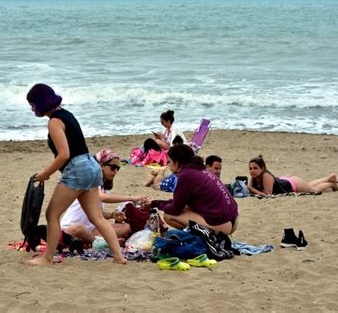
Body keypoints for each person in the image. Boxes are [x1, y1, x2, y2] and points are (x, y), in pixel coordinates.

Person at [25, 84, 126, 266]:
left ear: (40, 103)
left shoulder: (54, 122)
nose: (32, 108)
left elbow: (64, 154)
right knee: (97, 218)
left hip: (77, 169)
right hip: (91, 165)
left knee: (52, 215)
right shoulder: (67, 114)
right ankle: (119, 256)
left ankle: (47, 258)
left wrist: (44, 174)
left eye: (32, 104)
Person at [60, 149, 148, 246]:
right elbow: (102, 197)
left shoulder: (103, 187)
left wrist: (112, 215)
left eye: (117, 168)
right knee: (78, 228)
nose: (115, 171)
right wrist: (131, 198)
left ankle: (95, 241)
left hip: (91, 230)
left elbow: (95, 213)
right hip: (71, 230)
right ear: (100, 165)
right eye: (113, 167)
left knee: (126, 227)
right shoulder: (91, 181)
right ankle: (100, 242)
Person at [147, 144, 239, 235]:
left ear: (177, 162)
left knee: (169, 216)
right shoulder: (200, 170)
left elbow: (175, 209)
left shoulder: (186, 175)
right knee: (187, 207)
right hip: (233, 218)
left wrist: (155, 204)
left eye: (169, 161)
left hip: (222, 224)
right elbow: (179, 202)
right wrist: (155, 202)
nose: (168, 165)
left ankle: (201, 237)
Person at [247, 155, 338, 196]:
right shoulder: (254, 178)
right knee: (309, 185)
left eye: (255, 168)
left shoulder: (266, 176)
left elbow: (268, 195)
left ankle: (331, 183)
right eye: (250, 168)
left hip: (293, 184)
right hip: (284, 181)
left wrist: (253, 190)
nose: (252, 171)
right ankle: (328, 178)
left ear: (262, 168)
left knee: (315, 191)